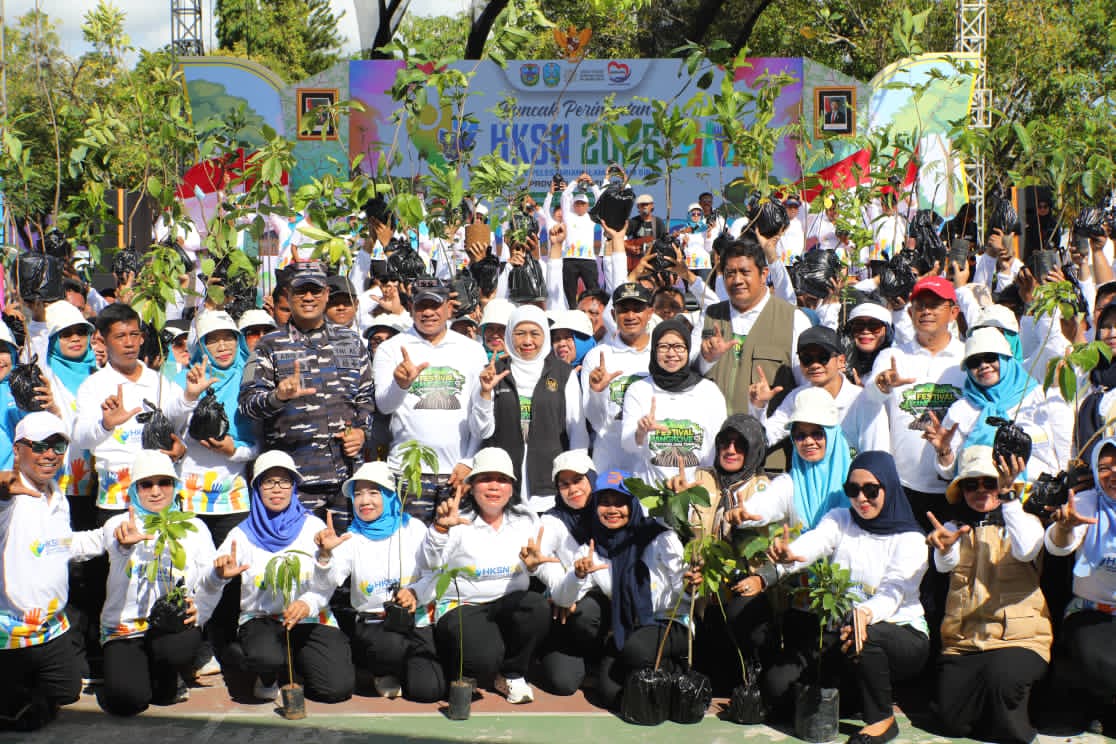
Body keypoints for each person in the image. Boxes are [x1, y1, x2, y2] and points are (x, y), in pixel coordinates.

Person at [749, 451, 929, 742]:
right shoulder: (841, 519)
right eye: (853, 490)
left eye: (871, 490)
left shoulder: (911, 539)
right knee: (777, 687)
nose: (861, 498)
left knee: (865, 634)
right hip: (842, 633)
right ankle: (855, 696)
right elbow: (816, 541)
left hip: (900, 633)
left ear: (889, 487)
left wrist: (866, 613)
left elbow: (894, 592)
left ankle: (882, 720)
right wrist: (790, 554)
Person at [204, 450, 354, 703]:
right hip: (263, 619)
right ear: (256, 488)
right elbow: (208, 581)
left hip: (309, 617)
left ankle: (298, 660)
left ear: (294, 486)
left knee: (336, 689)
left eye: (284, 481)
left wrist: (324, 560)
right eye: (268, 482)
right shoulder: (241, 534)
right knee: (265, 658)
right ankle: (267, 675)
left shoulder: (314, 528)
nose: (277, 488)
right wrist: (218, 576)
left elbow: (330, 582)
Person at [78, 451, 217, 716]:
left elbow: (209, 579)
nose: (155, 491)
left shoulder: (194, 527)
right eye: (146, 484)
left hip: (169, 628)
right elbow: (80, 544)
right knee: (127, 701)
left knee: (168, 677)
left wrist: (204, 605)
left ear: (175, 486)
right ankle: (140, 673)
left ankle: (168, 675)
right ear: (134, 489)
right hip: (125, 628)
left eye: (164, 482)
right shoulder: (119, 524)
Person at [239, 261, 375, 527]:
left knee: (344, 551)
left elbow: (366, 398)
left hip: (346, 481)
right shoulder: (269, 345)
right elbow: (246, 405)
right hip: (293, 482)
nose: (309, 297)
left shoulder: (350, 341)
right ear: (288, 295)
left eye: (315, 290)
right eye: (301, 291)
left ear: (326, 294)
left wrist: (361, 432)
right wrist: (277, 397)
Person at [928, 445, 1047, 744]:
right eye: (972, 484)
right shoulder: (953, 528)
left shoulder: (1025, 522)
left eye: (990, 483)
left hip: (1019, 639)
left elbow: (1027, 549)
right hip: (964, 642)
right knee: (951, 719)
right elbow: (944, 566)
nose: (981, 490)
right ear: (962, 491)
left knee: (1001, 680)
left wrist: (1008, 498)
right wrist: (943, 548)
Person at [551, 470, 693, 710]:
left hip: (669, 621)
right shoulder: (592, 548)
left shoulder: (660, 537)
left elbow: (686, 591)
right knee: (610, 694)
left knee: (636, 651)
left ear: (633, 504)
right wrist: (578, 575)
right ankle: (645, 670)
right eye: (605, 502)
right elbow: (564, 599)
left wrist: (691, 585)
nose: (612, 509)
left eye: (620, 502)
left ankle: (672, 666)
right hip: (627, 628)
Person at [423, 448, 551, 704]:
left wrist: (535, 568)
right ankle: (463, 668)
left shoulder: (526, 519)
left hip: (507, 604)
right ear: (471, 486)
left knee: (536, 606)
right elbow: (430, 563)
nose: (494, 486)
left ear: (512, 488)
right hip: (462, 605)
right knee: (484, 659)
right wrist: (439, 530)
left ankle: (511, 674)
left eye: (502, 479)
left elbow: (540, 562)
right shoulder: (456, 519)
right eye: (485, 479)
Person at [310, 461, 443, 702]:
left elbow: (433, 573)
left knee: (428, 691)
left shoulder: (413, 528)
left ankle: (407, 671)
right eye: (358, 494)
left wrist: (415, 592)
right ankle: (381, 670)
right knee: (389, 645)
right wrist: (326, 555)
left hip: (416, 621)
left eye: (374, 492)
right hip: (375, 625)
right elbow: (325, 583)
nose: (364, 501)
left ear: (390, 495)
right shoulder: (351, 537)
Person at [73, 303, 210, 516]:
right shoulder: (93, 386)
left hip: (161, 501)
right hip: (118, 501)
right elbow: (81, 439)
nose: (129, 343)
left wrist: (189, 397)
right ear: (103, 341)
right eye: (120, 336)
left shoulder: (159, 382)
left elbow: (177, 422)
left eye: (134, 334)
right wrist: (106, 424)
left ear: (142, 338)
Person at [372, 279, 487, 522]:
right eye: (421, 305)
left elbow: (480, 411)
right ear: (410, 307)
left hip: (456, 473)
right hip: (407, 472)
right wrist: (401, 384)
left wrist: (469, 461)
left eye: (435, 305)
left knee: (452, 543)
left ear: (449, 308)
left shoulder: (472, 349)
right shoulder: (391, 348)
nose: (428, 312)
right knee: (409, 543)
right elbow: (384, 405)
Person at [862, 276, 966, 530]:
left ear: (954, 312)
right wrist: (882, 384)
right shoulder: (892, 356)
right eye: (920, 305)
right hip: (902, 485)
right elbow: (869, 400)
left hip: (957, 484)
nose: (926, 311)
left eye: (935, 304)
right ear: (910, 313)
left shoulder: (967, 357)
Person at [696, 237, 810, 471]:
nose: (737, 280)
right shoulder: (709, 316)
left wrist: (765, 433)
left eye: (745, 272)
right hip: (713, 459)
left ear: (764, 274)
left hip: (769, 462)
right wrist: (707, 359)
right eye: (730, 273)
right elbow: (689, 378)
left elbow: (805, 391)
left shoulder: (793, 319)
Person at [0, 413, 83, 731]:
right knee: (24, 718)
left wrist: (110, 537)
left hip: (50, 628)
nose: (49, 454)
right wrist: (3, 488)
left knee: (67, 692)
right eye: (38, 446)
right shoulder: (9, 498)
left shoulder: (58, 496)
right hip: (9, 634)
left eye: (57, 446)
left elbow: (65, 545)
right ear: (17, 449)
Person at [470, 305, 587, 512]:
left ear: (545, 336)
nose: (527, 341)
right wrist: (485, 394)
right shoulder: (492, 373)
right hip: (503, 486)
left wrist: (575, 478)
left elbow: (577, 433)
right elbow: (481, 432)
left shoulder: (563, 374)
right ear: (509, 335)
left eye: (535, 333)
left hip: (549, 487)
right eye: (519, 333)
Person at [928, 327, 1071, 484]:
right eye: (974, 362)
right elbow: (949, 473)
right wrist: (944, 451)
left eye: (990, 358)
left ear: (1006, 359)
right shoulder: (961, 410)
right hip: (985, 495)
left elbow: (1067, 453)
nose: (983, 366)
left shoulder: (1042, 398)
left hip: (1040, 494)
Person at [1044, 436, 1116, 731]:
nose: (1112, 474)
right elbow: (1058, 546)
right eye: (1104, 467)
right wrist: (1064, 528)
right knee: (1102, 665)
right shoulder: (1087, 503)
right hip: (1091, 612)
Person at [521, 449, 605, 696]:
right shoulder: (552, 521)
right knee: (563, 683)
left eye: (578, 480)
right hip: (570, 609)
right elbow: (541, 559)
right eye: (564, 484)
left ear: (592, 479)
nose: (572, 489)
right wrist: (561, 590)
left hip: (605, 603)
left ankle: (601, 656)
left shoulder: (613, 511)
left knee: (588, 612)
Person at [750, 325, 888, 456]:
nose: (815, 365)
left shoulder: (863, 400)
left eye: (823, 357)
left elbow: (876, 454)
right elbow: (764, 437)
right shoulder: (797, 397)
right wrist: (758, 406)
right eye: (807, 358)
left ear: (841, 361)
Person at [621, 317, 727, 482]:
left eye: (678, 346)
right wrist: (640, 432)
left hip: (697, 489)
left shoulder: (708, 392)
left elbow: (718, 447)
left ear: (688, 349)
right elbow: (627, 446)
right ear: (654, 350)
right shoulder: (639, 390)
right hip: (650, 491)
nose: (671, 353)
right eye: (663, 347)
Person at [734, 388, 853, 534]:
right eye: (800, 436)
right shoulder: (789, 484)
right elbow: (766, 503)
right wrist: (743, 514)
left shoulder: (858, 479)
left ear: (832, 434)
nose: (808, 441)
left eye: (817, 434)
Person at [842, 302, 893, 385]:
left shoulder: (897, 364)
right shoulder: (837, 363)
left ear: (887, 331)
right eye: (859, 325)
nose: (865, 331)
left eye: (874, 325)